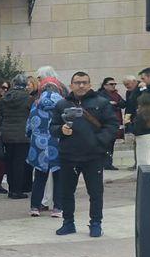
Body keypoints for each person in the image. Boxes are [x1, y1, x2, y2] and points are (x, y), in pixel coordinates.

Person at [50, 72, 118, 238]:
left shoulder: (101, 103)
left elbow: (112, 125)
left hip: (93, 156)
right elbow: (53, 127)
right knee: (66, 192)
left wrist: (98, 141)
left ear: (90, 84)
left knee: (95, 192)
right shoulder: (61, 104)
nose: (81, 85)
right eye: (77, 82)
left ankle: (95, 223)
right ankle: (68, 222)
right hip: (68, 155)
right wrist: (61, 130)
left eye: (84, 82)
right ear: (71, 84)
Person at [27, 79, 63, 218]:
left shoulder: (36, 104)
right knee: (59, 177)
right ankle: (58, 208)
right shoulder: (63, 104)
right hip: (57, 143)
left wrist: (30, 135)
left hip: (39, 144)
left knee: (40, 176)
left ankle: (35, 207)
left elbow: (29, 125)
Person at [0, 75, 33, 199]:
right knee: (19, 163)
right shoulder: (29, 99)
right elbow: (31, 115)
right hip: (22, 135)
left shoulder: (4, 98)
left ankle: (11, 188)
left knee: (10, 162)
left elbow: (0, 115)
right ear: (24, 85)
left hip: (7, 134)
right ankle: (17, 190)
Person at [97, 77, 125, 170]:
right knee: (105, 143)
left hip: (116, 121)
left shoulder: (116, 94)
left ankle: (108, 163)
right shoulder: (100, 94)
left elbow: (123, 103)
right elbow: (102, 105)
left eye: (114, 84)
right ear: (105, 85)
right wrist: (110, 103)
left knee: (111, 143)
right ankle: (104, 163)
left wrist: (115, 104)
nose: (113, 86)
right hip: (105, 122)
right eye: (111, 84)